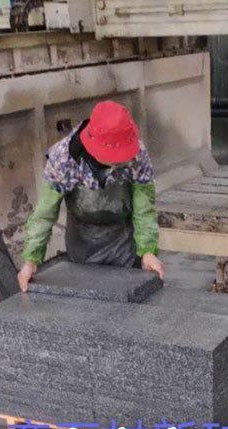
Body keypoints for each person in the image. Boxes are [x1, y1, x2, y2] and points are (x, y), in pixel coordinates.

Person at [18, 100, 164, 291]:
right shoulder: (63, 159)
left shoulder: (137, 155)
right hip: (81, 242)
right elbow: (44, 213)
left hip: (123, 242)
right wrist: (31, 259)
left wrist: (148, 251)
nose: (119, 162)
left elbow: (144, 208)